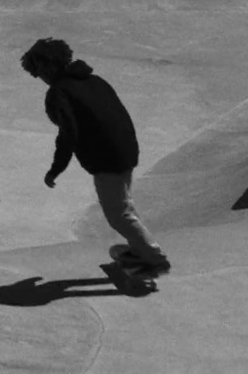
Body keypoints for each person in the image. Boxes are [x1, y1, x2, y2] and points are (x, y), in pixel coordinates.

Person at [21, 37, 169, 271]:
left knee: (118, 214)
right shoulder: (95, 81)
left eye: (39, 72)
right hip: (125, 150)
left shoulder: (60, 92)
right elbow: (118, 112)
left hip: (106, 157)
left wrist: (55, 170)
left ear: (48, 65)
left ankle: (153, 257)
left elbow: (68, 134)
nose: (42, 78)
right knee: (124, 207)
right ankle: (140, 247)